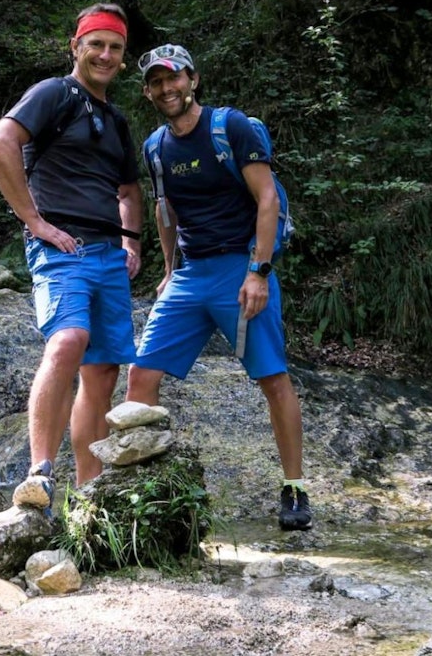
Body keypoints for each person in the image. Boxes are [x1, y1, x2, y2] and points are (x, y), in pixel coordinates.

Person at [126, 44, 312, 531]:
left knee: (272, 378)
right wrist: (169, 269)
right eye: (156, 82)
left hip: (240, 266)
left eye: (174, 78)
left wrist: (259, 271)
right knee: (141, 375)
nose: (167, 88)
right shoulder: (156, 148)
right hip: (191, 274)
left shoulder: (231, 127)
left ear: (193, 79)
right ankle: (140, 489)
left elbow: (267, 198)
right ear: (148, 92)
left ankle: (294, 487)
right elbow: (166, 211)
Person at [0, 3, 142, 510]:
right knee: (69, 339)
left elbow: (128, 190)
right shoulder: (54, 93)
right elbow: (0, 144)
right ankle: (40, 474)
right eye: (96, 44)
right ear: (76, 47)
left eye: (115, 47)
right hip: (62, 246)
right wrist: (34, 221)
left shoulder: (116, 120)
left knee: (103, 370)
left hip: (108, 254)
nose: (105, 55)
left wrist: (132, 243)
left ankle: (89, 494)